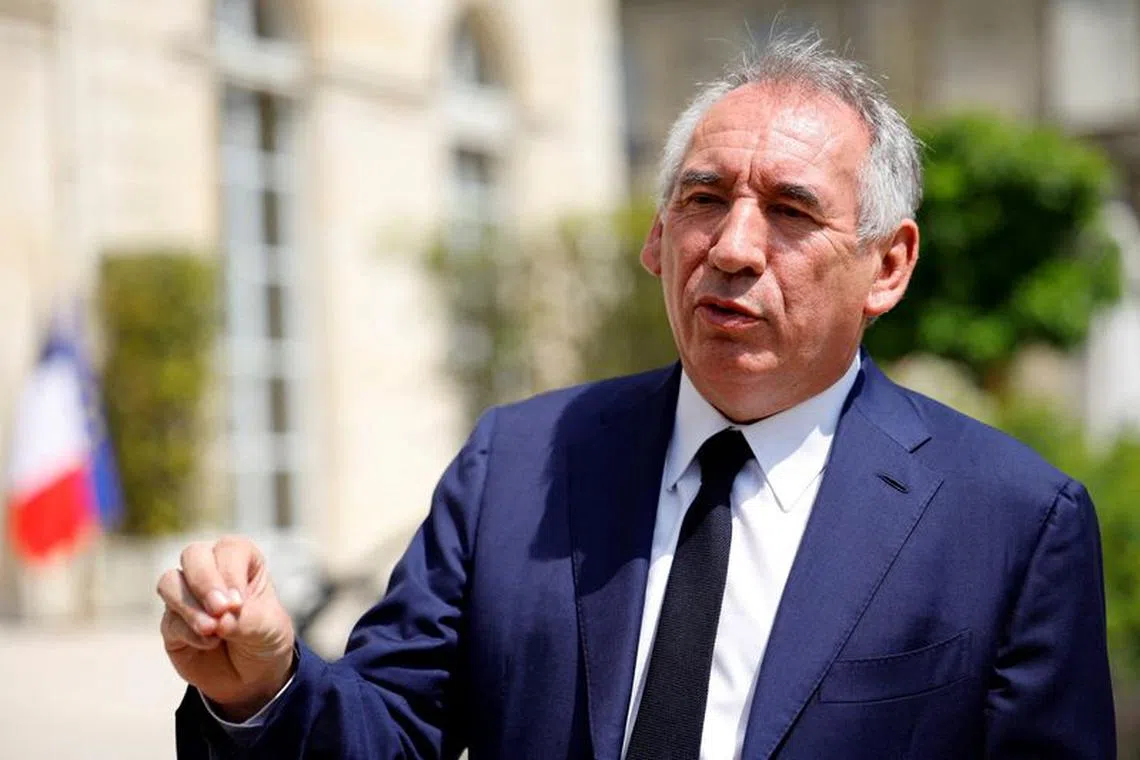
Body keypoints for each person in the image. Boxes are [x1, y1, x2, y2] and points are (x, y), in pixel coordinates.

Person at [159, 33, 1115, 759]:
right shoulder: (521, 467)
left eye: (789, 211)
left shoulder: (1010, 524)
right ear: (658, 241)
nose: (733, 247)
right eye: (703, 200)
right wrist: (263, 689)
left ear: (888, 266)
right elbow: (390, 727)